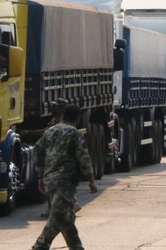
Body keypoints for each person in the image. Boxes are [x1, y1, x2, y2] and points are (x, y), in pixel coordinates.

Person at [32, 104, 98, 250]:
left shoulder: (49, 132)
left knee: (65, 217)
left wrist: (40, 178)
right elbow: (84, 158)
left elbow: (38, 153)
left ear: (63, 116)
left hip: (50, 181)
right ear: (78, 118)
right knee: (58, 217)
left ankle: (76, 247)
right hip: (65, 181)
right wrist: (91, 181)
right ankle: (40, 246)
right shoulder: (74, 133)